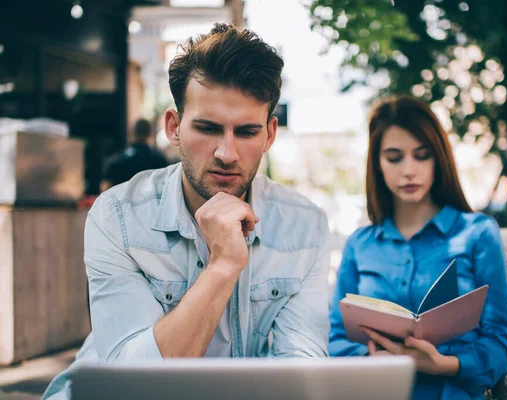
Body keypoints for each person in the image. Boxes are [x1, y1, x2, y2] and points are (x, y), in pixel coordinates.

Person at [43, 23, 330, 400]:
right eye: (208, 128)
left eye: (245, 132)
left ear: (270, 135)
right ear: (174, 128)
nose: (226, 153)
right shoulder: (118, 216)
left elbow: (303, 376)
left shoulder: (304, 227)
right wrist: (223, 266)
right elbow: (131, 385)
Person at [328, 96, 507, 399]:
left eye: (422, 155)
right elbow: (335, 339)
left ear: (438, 159)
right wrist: (371, 360)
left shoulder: (478, 234)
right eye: (394, 157)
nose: (409, 170)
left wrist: (442, 364)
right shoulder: (359, 245)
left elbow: (502, 343)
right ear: (377, 164)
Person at [100, 118, 168, 192]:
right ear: (150, 134)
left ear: (132, 133)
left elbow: (105, 190)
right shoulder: (159, 160)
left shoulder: (115, 161)